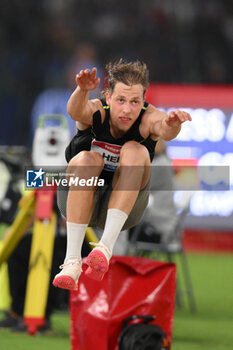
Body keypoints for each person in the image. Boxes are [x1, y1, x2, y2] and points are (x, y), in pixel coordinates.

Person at [52, 59, 192, 291]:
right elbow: (75, 110)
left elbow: (166, 130)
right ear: (108, 97)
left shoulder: (149, 118)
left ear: (144, 101)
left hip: (125, 209)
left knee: (135, 150)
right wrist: (82, 90)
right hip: (77, 199)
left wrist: (174, 124)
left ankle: (105, 248)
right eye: (121, 100)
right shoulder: (97, 111)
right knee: (88, 159)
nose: (127, 109)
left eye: (135, 101)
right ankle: (72, 262)